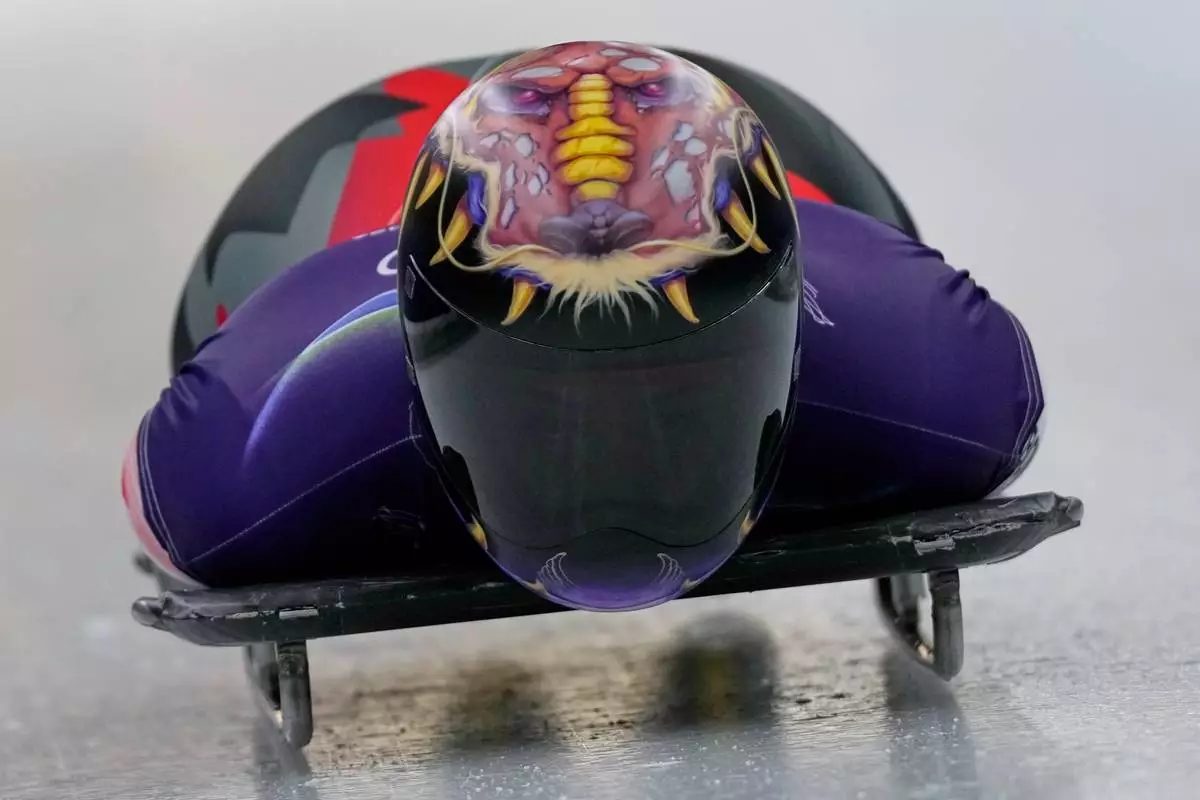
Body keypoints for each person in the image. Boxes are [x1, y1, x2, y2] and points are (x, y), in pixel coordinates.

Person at [122, 42, 1042, 612]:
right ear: (416, 353)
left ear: (791, 336)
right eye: (545, 402)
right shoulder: (246, 451)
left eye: (681, 385)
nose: (618, 453)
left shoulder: (939, 371)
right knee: (224, 312)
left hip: (784, 176)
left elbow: (159, 508)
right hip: (338, 199)